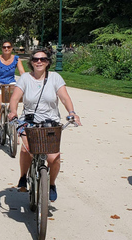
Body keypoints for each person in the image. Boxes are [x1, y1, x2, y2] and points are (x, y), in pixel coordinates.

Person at [7, 47, 81, 202]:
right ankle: (23, 177)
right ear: (31, 62)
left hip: (50, 123)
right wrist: (13, 111)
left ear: (48, 62)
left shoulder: (55, 78)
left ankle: (51, 184)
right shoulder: (25, 78)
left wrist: (72, 112)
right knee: (27, 149)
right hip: (29, 121)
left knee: (54, 158)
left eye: (43, 59)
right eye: (35, 59)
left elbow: (65, 98)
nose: (39, 62)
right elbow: (14, 99)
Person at [0, 40, 25, 142]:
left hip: (11, 83)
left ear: (12, 48)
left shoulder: (16, 59)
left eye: (8, 47)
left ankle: (13, 129)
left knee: (13, 106)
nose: (6, 49)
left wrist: (26, 83)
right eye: (4, 47)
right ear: (2, 48)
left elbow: (22, 72)